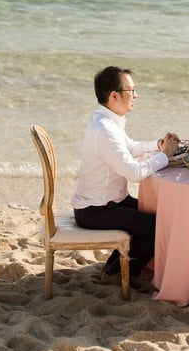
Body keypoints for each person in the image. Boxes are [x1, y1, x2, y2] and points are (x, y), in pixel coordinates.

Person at [72, 65, 180, 284]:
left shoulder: (107, 122)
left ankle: (113, 268)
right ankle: (117, 275)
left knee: (157, 213)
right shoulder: (105, 129)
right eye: (131, 90)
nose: (135, 95)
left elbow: (129, 147)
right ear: (114, 95)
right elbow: (134, 172)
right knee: (158, 226)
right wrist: (165, 157)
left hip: (109, 202)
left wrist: (158, 145)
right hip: (96, 209)